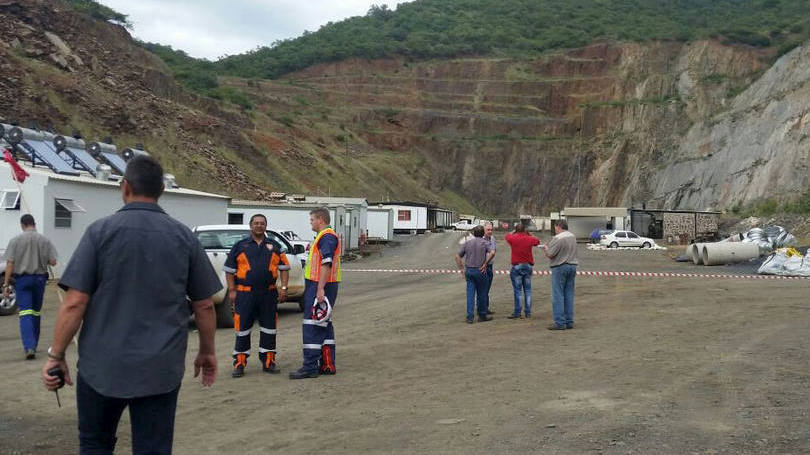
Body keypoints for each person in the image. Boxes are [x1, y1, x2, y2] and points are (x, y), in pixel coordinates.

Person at [41, 155, 221, 455]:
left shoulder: (99, 232)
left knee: (95, 444)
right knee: (153, 449)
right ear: (162, 189)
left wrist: (56, 355)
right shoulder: (183, 237)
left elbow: (74, 303)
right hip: (159, 370)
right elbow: (204, 305)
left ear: (124, 188)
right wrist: (207, 352)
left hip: (102, 368)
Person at [224, 214, 291, 378]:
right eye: (256, 223)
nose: (259, 226)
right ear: (250, 226)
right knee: (242, 329)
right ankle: (239, 362)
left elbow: (284, 268)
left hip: (268, 294)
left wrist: (283, 288)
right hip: (245, 294)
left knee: (269, 328)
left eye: (262, 223)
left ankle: (269, 361)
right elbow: (229, 270)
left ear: (266, 226)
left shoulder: (274, 245)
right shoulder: (240, 246)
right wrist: (232, 290)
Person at [290, 207, 341, 379]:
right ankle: (327, 364)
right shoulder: (326, 236)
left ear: (320, 219)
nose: (310, 223)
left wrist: (319, 288)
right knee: (323, 323)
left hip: (321, 285)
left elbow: (326, 263)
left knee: (312, 324)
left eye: (312, 220)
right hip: (325, 285)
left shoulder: (326, 237)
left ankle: (310, 366)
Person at [3, 214, 57, 359]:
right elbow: (53, 262)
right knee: (35, 312)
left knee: (25, 313)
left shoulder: (15, 241)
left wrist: (6, 284)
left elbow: (10, 264)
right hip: (39, 280)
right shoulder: (44, 240)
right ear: (34, 223)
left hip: (22, 280)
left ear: (22, 224)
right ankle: (34, 343)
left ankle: (30, 346)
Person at [543, 220, 578, 330]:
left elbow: (550, 254)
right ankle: (569, 321)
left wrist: (545, 248)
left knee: (557, 295)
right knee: (569, 294)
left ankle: (559, 322)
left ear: (558, 227)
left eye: (555, 227)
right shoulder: (573, 237)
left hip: (560, 267)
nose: (555, 230)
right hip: (572, 266)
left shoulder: (558, 238)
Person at [455, 225, 494, 323]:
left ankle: (470, 317)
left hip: (469, 270)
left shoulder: (467, 243)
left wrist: (462, 269)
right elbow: (492, 252)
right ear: (483, 233)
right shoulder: (485, 243)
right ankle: (482, 315)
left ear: (474, 233)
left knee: (470, 294)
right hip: (480, 270)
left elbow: (457, 256)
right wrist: (485, 263)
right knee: (482, 294)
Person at [504, 223, 541, 319]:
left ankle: (517, 312)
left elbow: (507, 236)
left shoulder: (513, 238)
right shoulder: (529, 238)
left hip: (517, 266)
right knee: (528, 290)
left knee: (518, 291)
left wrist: (513, 232)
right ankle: (528, 312)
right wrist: (529, 234)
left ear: (516, 230)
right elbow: (537, 241)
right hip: (528, 266)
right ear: (524, 230)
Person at [482, 222, 496, 315]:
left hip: (490, 266)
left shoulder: (493, 239)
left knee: (487, 289)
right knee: (483, 289)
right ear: (484, 230)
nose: (490, 231)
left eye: (491, 229)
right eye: (488, 230)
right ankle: (482, 309)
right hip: (483, 267)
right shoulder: (480, 240)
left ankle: (485, 307)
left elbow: (494, 251)